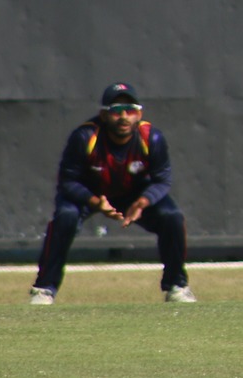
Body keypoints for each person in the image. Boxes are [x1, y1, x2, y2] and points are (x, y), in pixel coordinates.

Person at [30, 83, 195, 305]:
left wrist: (143, 201)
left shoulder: (151, 138)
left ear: (139, 114)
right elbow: (68, 182)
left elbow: (162, 180)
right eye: (116, 111)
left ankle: (177, 286)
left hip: (133, 194)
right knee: (65, 217)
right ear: (104, 115)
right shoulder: (85, 137)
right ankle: (44, 288)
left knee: (172, 217)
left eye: (130, 110)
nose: (124, 117)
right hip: (91, 192)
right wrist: (94, 201)